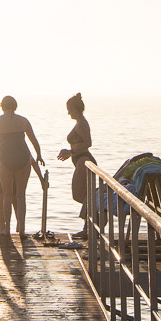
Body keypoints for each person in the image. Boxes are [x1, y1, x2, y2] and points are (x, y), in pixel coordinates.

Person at [0, 96, 42, 248]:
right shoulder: (23, 120)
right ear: (15, 106)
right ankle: (22, 229)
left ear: (2, 106)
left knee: (7, 195)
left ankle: (6, 229)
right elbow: (33, 140)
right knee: (21, 195)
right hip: (23, 155)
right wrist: (39, 155)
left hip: (5, 156)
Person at [58, 92, 94, 239]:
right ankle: (88, 228)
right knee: (85, 195)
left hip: (84, 160)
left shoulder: (82, 123)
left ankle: (89, 227)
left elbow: (87, 143)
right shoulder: (79, 123)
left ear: (76, 109)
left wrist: (71, 151)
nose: (68, 113)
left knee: (81, 195)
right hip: (78, 159)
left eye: (69, 109)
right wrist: (70, 154)